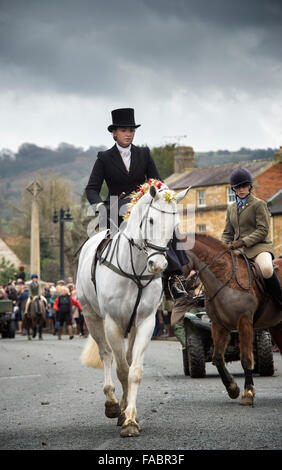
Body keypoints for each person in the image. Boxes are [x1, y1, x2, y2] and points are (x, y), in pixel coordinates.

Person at [85, 107, 190, 298]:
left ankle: (173, 280)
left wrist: (166, 197)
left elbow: (157, 183)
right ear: (114, 133)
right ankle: (98, 278)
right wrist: (100, 207)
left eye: (131, 130)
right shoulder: (104, 158)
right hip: (117, 209)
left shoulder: (144, 153)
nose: (128, 134)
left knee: (167, 227)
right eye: (124, 130)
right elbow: (91, 189)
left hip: (144, 208)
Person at [222, 167, 282, 310]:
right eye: (238, 187)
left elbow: (263, 230)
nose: (242, 189)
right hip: (238, 250)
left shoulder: (259, 204)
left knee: (267, 269)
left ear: (249, 186)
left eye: (244, 186)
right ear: (233, 189)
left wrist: (243, 241)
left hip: (259, 248)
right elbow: (227, 232)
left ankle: (279, 301)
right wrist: (222, 246)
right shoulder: (231, 208)